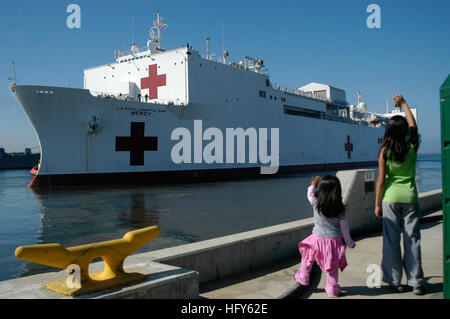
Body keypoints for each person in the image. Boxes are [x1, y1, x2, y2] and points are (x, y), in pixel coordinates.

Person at [374, 94, 424, 295]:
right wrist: (403, 104)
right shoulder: (413, 147)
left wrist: (377, 204)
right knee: (412, 241)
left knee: (391, 242)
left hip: (390, 200)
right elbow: (413, 124)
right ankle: (416, 282)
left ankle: (394, 281)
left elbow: (381, 181)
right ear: (404, 132)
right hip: (410, 198)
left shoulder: (384, 151)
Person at [295, 175, 355, 298]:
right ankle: (332, 290)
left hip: (316, 239)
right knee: (332, 269)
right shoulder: (340, 209)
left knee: (307, 259)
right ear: (337, 190)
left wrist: (312, 185)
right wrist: (349, 242)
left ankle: (302, 278)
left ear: (320, 190)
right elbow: (345, 229)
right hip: (333, 242)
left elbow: (310, 195)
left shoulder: (316, 202)